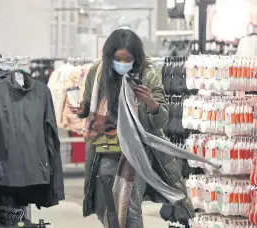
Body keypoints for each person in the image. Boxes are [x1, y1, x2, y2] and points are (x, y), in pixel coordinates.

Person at [70, 29, 195, 228]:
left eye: (127, 59)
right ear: (109, 56)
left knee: (129, 209)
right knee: (105, 207)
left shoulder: (148, 76)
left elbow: (161, 120)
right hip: (103, 151)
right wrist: (81, 109)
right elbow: (89, 107)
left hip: (136, 154)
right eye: (117, 58)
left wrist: (150, 103)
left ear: (135, 57)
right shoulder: (96, 74)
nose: (122, 63)